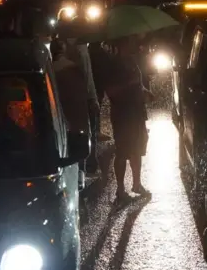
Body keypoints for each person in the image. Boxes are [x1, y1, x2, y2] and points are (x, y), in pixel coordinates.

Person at [106, 35, 153, 202]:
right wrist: (131, 85)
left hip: (137, 112)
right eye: (130, 41)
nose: (134, 44)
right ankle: (120, 189)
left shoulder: (132, 61)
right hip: (123, 114)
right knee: (122, 151)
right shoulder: (114, 65)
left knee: (137, 149)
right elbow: (111, 91)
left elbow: (137, 84)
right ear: (122, 44)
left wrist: (145, 91)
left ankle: (137, 184)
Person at [58, 20, 101, 177]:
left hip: (67, 99)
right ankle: (84, 167)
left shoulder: (61, 49)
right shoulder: (81, 49)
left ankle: (79, 169)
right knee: (84, 132)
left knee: (74, 132)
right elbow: (88, 77)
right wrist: (93, 98)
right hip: (80, 97)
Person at [50, 38, 90, 188]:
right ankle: (80, 178)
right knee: (78, 151)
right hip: (75, 118)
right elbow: (83, 93)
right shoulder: (72, 68)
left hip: (60, 119)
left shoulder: (52, 70)